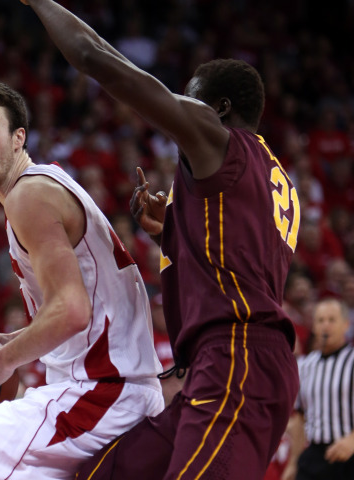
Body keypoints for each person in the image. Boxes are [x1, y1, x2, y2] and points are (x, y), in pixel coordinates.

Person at [19, 2, 301, 479]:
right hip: (226, 365)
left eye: (188, 99)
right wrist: (172, 223)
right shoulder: (276, 182)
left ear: (220, 109)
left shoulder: (219, 140)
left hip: (238, 357)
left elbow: (97, 59)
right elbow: (239, 257)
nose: (180, 109)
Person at [0, 80, 164, 480]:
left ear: (19, 137)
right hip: (115, 393)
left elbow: (72, 311)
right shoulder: (44, 185)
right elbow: (82, 308)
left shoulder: (29, 195)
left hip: (100, 394)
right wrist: (22, 339)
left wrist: (2, 362)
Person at [283, 298, 354, 480]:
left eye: (332, 320)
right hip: (314, 456)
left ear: (346, 325)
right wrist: (293, 462)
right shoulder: (304, 365)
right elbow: (300, 417)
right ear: (313, 327)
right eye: (320, 320)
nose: (326, 325)